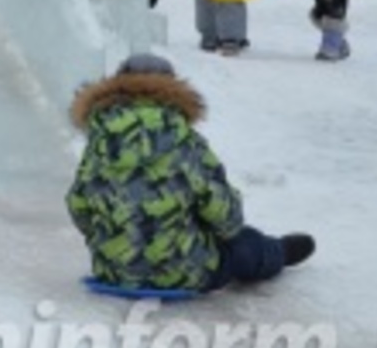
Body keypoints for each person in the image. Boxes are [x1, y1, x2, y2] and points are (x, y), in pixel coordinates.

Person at [67, 52, 315, 293]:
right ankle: (276, 253)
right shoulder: (186, 142)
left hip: (114, 272)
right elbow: (224, 213)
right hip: (186, 273)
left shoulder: (98, 143)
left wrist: (112, 236)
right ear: (173, 89)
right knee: (243, 244)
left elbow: (78, 204)